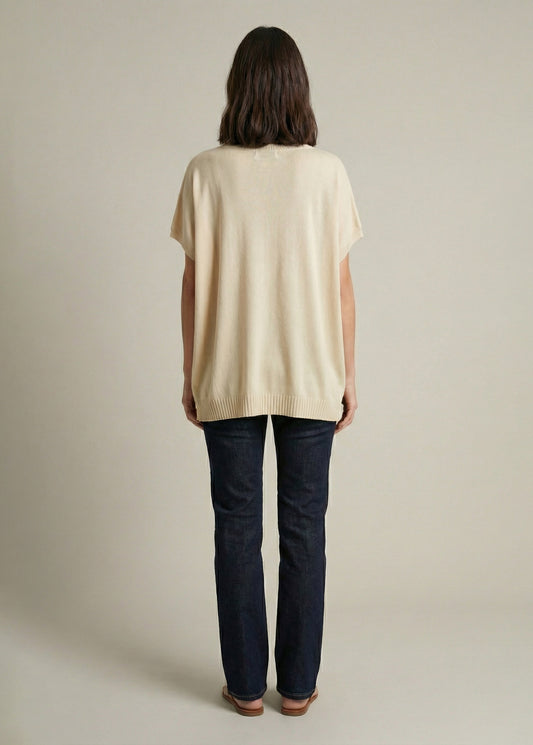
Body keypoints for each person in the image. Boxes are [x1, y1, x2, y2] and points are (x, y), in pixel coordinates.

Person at [170, 25, 364, 716]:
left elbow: (193, 286)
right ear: (297, 91)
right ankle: (299, 687)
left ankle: (246, 686)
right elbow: (341, 288)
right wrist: (348, 376)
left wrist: (191, 373)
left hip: (228, 371)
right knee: (304, 529)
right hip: (312, 371)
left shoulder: (205, 172)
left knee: (235, 527)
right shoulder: (327, 173)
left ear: (238, 89)